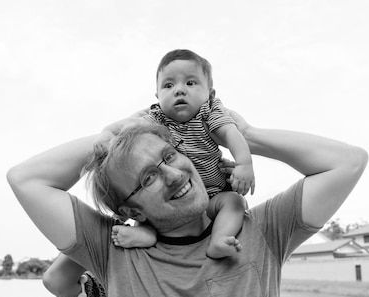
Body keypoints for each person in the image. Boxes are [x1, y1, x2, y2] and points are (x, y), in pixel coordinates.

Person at [7, 109, 368, 297]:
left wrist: (246, 138)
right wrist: (107, 138)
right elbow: (26, 179)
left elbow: (348, 162)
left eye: (169, 155)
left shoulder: (262, 231)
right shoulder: (113, 250)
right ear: (131, 211)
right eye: (147, 177)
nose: (174, 174)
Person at [100, 49, 254, 259]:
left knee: (235, 202)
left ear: (210, 93)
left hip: (215, 193)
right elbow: (124, 128)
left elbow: (231, 133)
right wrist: (106, 133)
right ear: (157, 96)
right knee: (149, 204)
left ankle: (219, 238)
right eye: (168, 85)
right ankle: (146, 234)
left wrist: (244, 164)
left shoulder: (208, 112)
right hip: (174, 198)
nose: (179, 90)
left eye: (190, 83)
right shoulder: (157, 118)